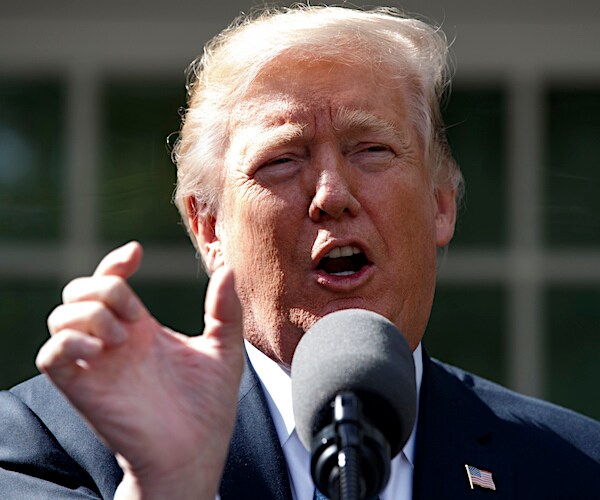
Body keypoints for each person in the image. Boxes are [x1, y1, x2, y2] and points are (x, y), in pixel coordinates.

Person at [1, 4, 599, 499]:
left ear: (441, 201)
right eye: (282, 160)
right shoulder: (50, 442)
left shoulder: (578, 469)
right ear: (208, 227)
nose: (332, 196)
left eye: (372, 149)